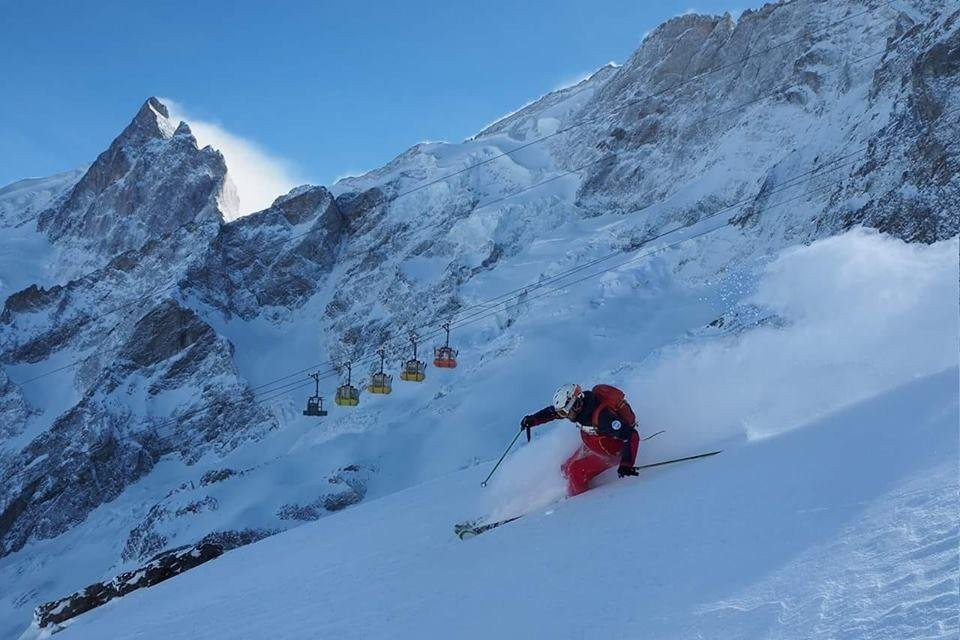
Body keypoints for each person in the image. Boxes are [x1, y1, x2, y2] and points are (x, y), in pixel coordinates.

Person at [521, 383, 640, 496]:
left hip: (609, 453)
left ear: (576, 403)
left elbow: (631, 435)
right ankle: (569, 491)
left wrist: (626, 463)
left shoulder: (603, 417)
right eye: (562, 413)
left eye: (565, 412)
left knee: (575, 471)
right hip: (594, 443)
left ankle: (579, 503)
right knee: (565, 468)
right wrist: (533, 419)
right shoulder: (578, 409)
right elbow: (552, 412)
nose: (564, 416)